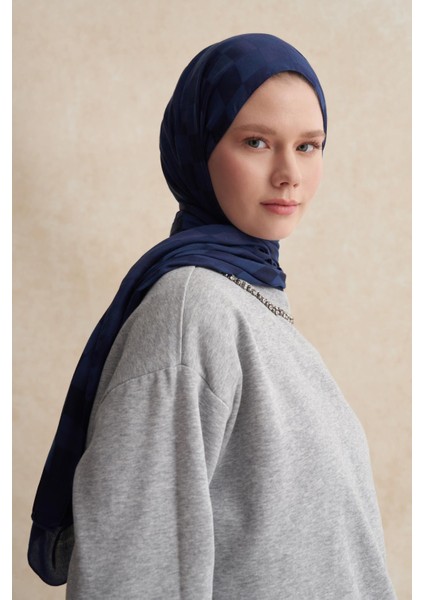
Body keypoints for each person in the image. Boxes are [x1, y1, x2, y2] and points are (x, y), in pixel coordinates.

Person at [28, 33, 397, 599]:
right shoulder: (191, 312)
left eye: (308, 146)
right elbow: (133, 576)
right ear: (197, 147)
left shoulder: (251, 299)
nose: (288, 173)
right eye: (256, 142)